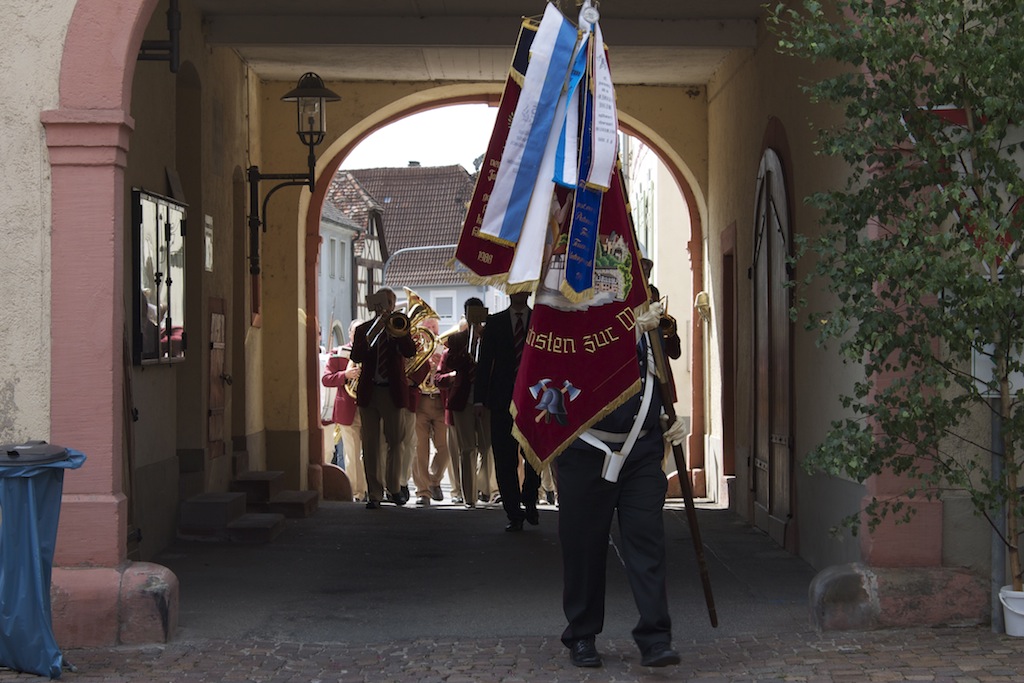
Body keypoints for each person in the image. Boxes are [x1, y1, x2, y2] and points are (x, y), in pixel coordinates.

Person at [554, 301, 687, 669]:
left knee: (647, 540)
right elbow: (581, 372)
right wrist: (629, 335)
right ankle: (582, 634)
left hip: (640, 451)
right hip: (586, 451)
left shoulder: (650, 329)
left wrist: (668, 419)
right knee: (583, 547)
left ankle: (656, 638)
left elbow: (654, 382)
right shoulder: (579, 320)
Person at [474, 291, 540, 531]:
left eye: (524, 288)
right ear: (509, 291)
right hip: (502, 400)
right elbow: (484, 362)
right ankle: (514, 513)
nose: (519, 292)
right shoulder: (495, 322)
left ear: (529, 292)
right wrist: (478, 400)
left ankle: (530, 498)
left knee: (534, 456)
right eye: (515, 288)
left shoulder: (539, 320)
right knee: (504, 458)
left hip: (534, 400)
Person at [349, 288, 417, 509]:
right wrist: (373, 333)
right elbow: (356, 356)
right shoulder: (363, 329)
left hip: (392, 391)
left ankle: (394, 488)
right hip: (370, 392)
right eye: (381, 301)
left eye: (389, 302)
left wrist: (399, 333)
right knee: (370, 444)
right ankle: (374, 493)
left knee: (395, 442)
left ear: (393, 305)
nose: (385, 306)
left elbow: (410, 351)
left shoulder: (399, 326)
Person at [439, 299, 491, 508]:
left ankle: (482, 487)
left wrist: (482, 337)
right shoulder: (457, 339)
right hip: (462, 400)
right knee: (467, 449)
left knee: (487, 448)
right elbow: (452, 363)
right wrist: (469, 343)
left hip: (486, 399)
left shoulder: (490, 336)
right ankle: (469, 497)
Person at [322, 320, 365, 501]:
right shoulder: (338, 353)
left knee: (371, 453)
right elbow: (326, 379)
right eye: (356, 332)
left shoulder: (372, 351)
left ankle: (371, 489)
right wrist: (345, 375)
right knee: (352, 454)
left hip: (369, 408)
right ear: (349, 334)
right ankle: (357, 492)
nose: (359, 335)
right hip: (347, 409)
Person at [412, 317, 451, 506]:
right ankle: (423, 491)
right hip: (420, 402)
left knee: (445, 447)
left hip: (440, 402)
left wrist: (439, 365)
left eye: (434, 326)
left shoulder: (445, 348)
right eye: (427, 326)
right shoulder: (415, 349)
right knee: (420, 449)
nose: (431, 330)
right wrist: (425, 364)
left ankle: (434, 480)